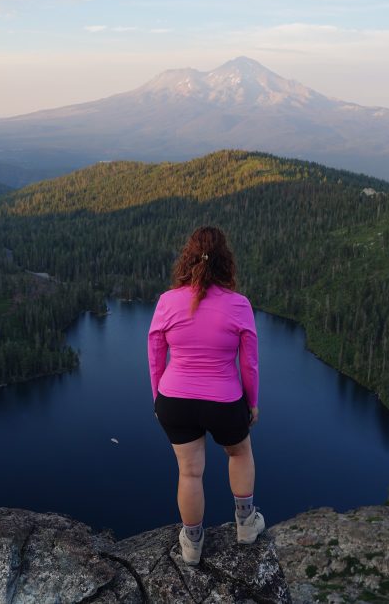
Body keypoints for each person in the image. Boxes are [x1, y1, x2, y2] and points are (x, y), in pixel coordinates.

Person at [148, 225, 264, 565]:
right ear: (225, 261)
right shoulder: (239, 305)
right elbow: (250, 363)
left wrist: (158, 397)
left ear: (187, 258)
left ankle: (193, 544)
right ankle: (246, 525)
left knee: (189, 472)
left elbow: (155, 354)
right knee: (239, 452)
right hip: (224, 401)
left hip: (174, 401)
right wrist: (252, 403)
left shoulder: (167, 302)